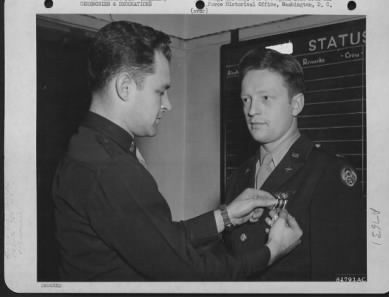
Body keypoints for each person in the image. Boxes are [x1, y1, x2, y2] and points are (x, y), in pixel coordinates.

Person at [52, 21, 303, 281]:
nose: (168, 104)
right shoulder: (112, 168)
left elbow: (158, 243)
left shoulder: (87, 147)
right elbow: (190, 272)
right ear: (124, 87)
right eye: (160, 91)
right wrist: (272, 251)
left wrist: (225, 216)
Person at [222, 48, 366, 281]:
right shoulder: (240, 175)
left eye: (265, 98)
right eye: (246, 99)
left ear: (296, 104)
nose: (251, 110)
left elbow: (338, 275)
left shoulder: (328, 173)